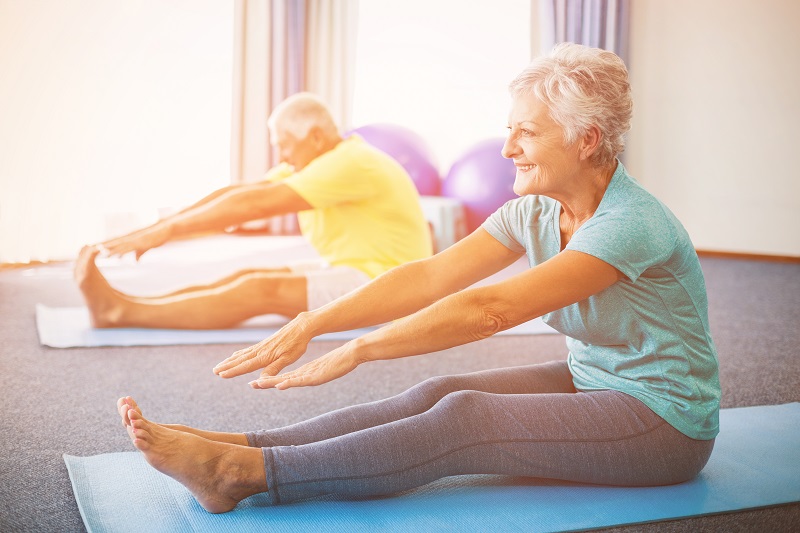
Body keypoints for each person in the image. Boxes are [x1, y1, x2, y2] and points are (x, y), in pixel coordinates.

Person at [117, 43, 721, 513]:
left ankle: (236, 477)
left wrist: (361, 348)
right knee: (435, 393)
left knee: (466, 419)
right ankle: (247, 445)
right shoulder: (534, 210)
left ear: (587, 140)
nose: (507, 148)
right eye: (508, 127)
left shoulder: (628, 224)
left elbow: (490, 310)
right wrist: (317, 322)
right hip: (595, 381)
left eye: (527, 132)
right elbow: (434, 275)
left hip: (662, 422)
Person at [75, 93, 433, 329]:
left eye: (285, 146)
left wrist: (166, 233)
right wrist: (161, 225)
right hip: (359, 269)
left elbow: (252, 206)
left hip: (390, 285)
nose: (282, 157)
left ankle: (120, 313)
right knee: (248, 273)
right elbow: (240, 194)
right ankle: (130, 303)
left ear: (316, 137)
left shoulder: (352, 163)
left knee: (260, 288)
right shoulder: (316, 162)